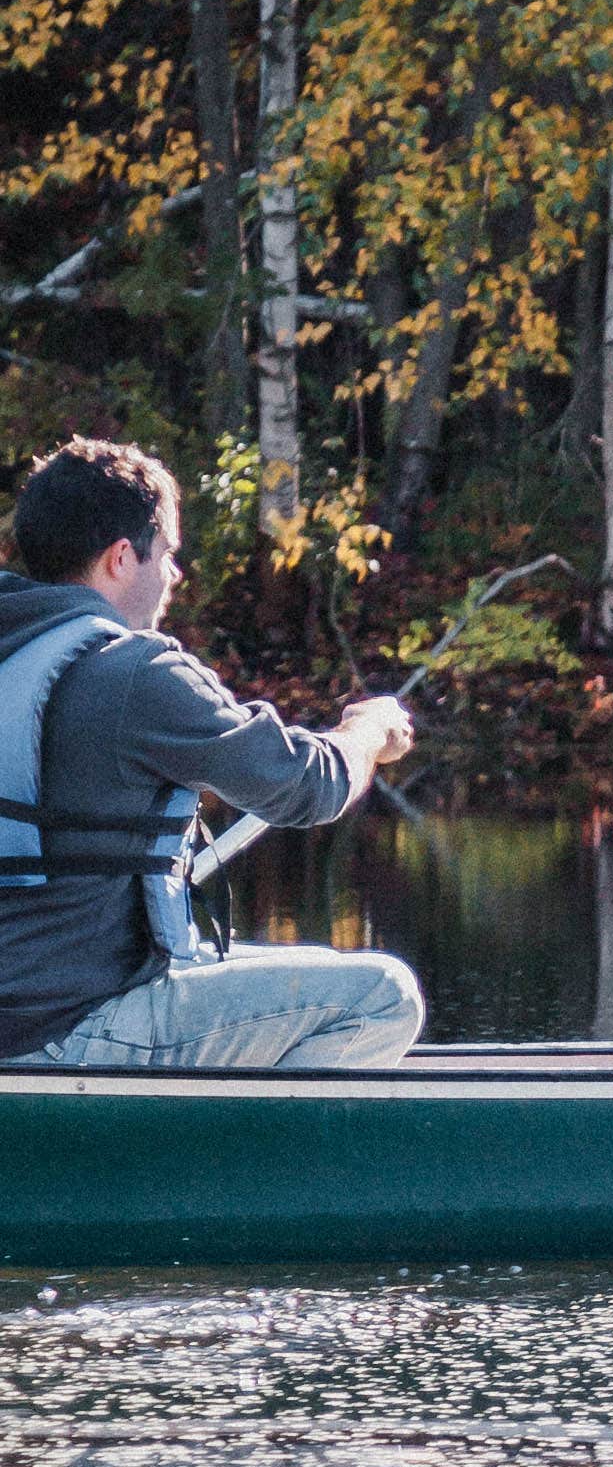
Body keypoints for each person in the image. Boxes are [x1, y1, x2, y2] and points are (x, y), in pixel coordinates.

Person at [0, 435, 423, 1069]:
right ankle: (232, 1140)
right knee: (383, 996)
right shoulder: (136, 672)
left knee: (249, 960)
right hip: (70, 1028)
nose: (174, 576)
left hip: (27, 1017)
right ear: (122, 557)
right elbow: (309, 786)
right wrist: (367, 732)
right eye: (168, 553)